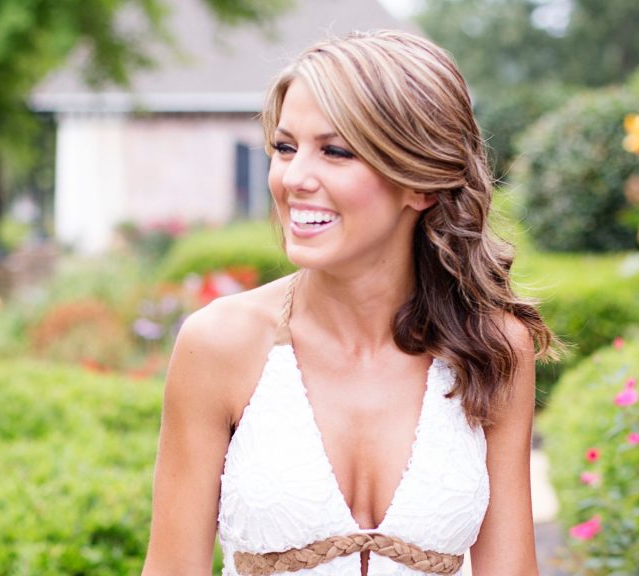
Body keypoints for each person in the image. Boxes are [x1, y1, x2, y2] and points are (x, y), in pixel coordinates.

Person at [141, 29, 560, 576]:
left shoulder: (493, 348)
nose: (293, 178)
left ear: (421, 184)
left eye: (335, 151)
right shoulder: (220, 343)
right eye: (285, 147)